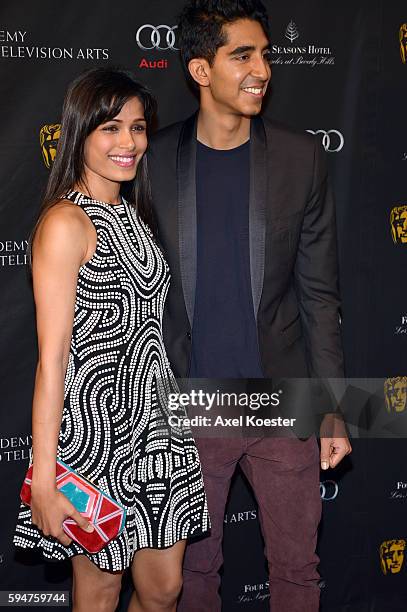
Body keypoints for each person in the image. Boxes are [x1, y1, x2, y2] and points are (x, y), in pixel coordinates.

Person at [147, 1, 352, 611]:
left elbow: (319, 295)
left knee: (296, 571)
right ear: (200, 69)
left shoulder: (300, 158)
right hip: (186, 402)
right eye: (243, 54)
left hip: (282, 400)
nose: (262, 68)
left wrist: (335, 407)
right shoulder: (149, 162)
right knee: (192, 576)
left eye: (265, 53)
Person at [13, 67, 209, 612]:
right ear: (80, 132)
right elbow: (52, 362)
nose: (129, 143)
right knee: (98, 592)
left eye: (138, 128)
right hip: (96, 433)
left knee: (165, 589)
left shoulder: (131, 212)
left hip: (159, 426)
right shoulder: (66, 223)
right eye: (111, 128)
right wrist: (47, 479)